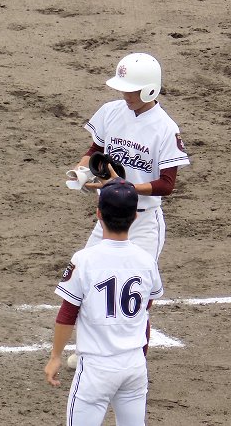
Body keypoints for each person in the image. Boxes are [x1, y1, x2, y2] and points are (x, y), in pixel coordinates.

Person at [44, 178, 164, 425]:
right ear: (135, 216)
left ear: (99, 214)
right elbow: (146, 308)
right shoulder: (146, 260)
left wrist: (56, 356)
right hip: (134, 366)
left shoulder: (84, 259)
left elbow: (67, 314)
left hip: (96, 369)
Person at [72, 52, 190, 261]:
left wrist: (121, 188)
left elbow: (167, 184)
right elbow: (95, 151)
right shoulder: (110, 111)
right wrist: (80, 171)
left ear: (150, 89)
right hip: (108, 218)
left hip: (143, 225)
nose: (126, 96)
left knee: (140, 280)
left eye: (132, 91)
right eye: (123, 89)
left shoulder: (165, 128)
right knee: (86, 271)